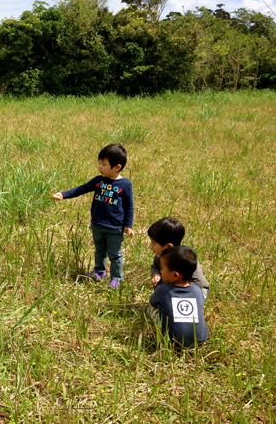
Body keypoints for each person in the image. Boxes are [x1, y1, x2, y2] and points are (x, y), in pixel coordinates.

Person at [52, 144, 134, 289]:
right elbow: (82, 189)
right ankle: (99, 272)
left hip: (115, 227)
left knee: (115, 254)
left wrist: (128, 225)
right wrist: (63, 194)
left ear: (117, 167)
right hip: (97, 224)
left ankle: (116, 278)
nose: (99, 167)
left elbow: (129, 206)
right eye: (99, 163)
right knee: (100, 251)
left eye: (103, 164)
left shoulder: (125, 184)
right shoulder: (98, 181)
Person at [148, 245, 208, 348]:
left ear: (175, 275)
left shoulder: (162, 290)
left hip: (171, 341)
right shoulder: (198, 291)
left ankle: (162, 335)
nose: (160, 271)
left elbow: (152, 302)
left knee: (151, 309)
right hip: (200, 340)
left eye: (162, 269)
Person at [147, 217, 210, 298]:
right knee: (160, 283)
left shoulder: (185, 259)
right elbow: (155, 266)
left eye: (153, 243)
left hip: (196, 289)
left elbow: (198, 281)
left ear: (168, 246)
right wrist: (156, 274)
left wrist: (182, 292)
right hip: (174, 285)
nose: (150, 246)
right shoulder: (159, 257)